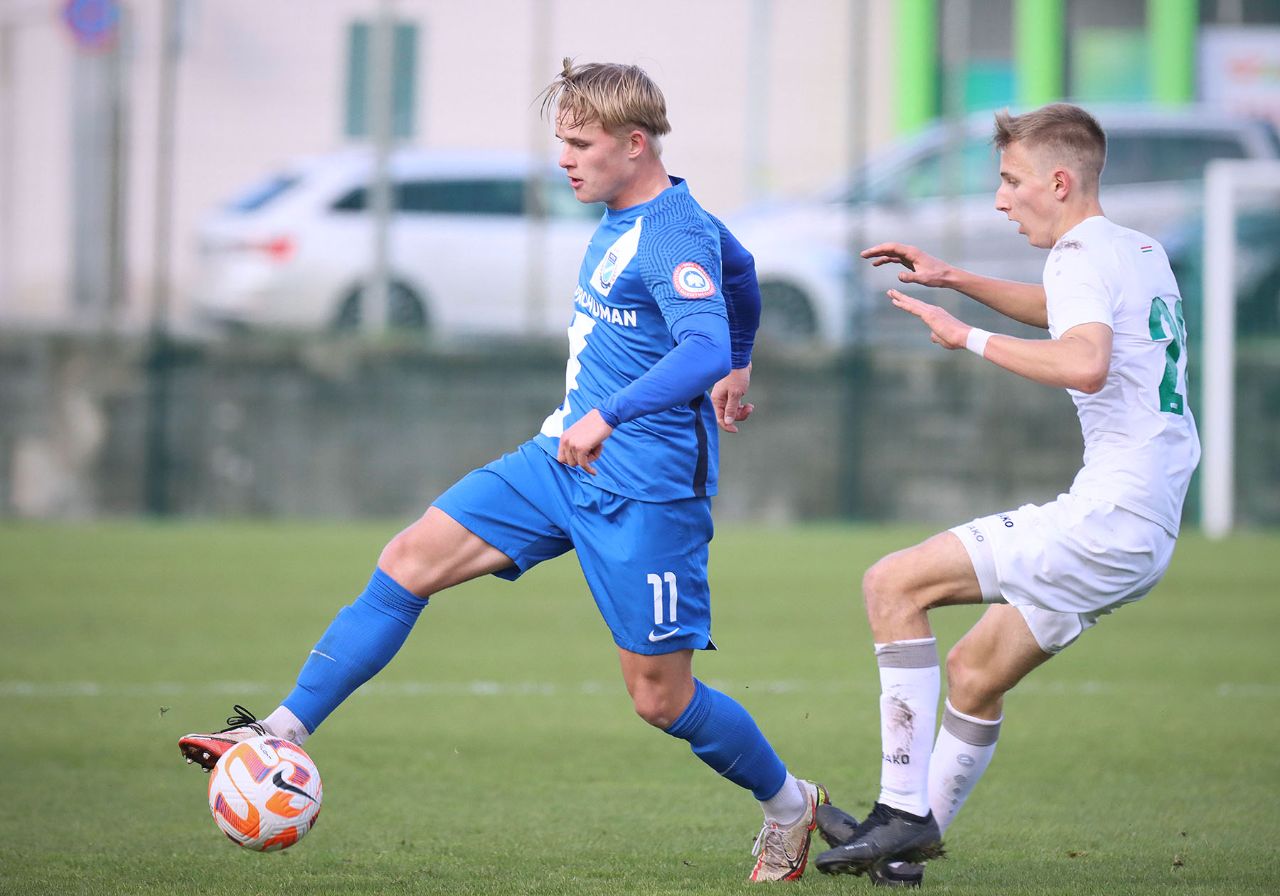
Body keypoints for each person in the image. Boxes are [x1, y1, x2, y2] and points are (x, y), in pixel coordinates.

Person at [179, 59, 829, 883]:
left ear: (635, 144)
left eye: (581, 144)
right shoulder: (636, 216)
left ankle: (789, 806)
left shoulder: (671, 232)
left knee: (660, 699)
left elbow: (700, 338)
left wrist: (661, 389)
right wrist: (739, 359)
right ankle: (279, 732)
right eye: (562, 141)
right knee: (407, 560)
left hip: (646, 490)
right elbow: (741, 273)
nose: (565, 159)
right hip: (561, 461)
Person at [812, 103, 1200, 886]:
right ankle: (905, 854)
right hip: (1147, 525)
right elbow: (1069, 311)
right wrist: (955, 279)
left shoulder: (1078, 254)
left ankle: (899, 810)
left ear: (1058, 182)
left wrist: (966, 336)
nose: (1000, 199)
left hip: (1107, 518)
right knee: (976, 671)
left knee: (892, 584)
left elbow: (1084, 360)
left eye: (1010, 181)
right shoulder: (1137, 248)